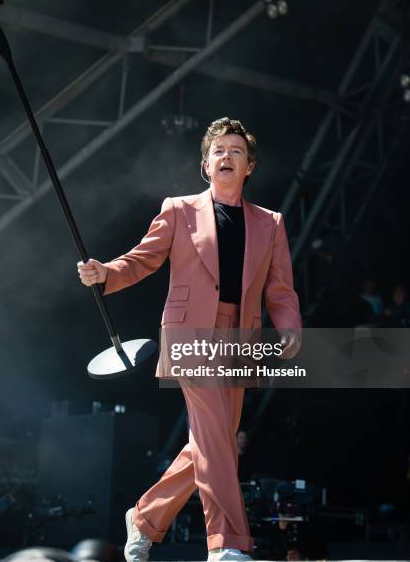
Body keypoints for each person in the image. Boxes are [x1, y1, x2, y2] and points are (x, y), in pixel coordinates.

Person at [78, 117, 302, 562]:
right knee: (217, 438)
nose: (226, 156)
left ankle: (143, 518)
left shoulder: (270, 223)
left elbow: (280, 289)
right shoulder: (179, 210)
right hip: (189, 334)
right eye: (218, 150)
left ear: (248, 167)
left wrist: (290, 325)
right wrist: (106, 273)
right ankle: (228, 545)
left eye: (236, 151)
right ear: (205, 164)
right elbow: (143, 259)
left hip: (240, 337)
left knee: (210, 441)